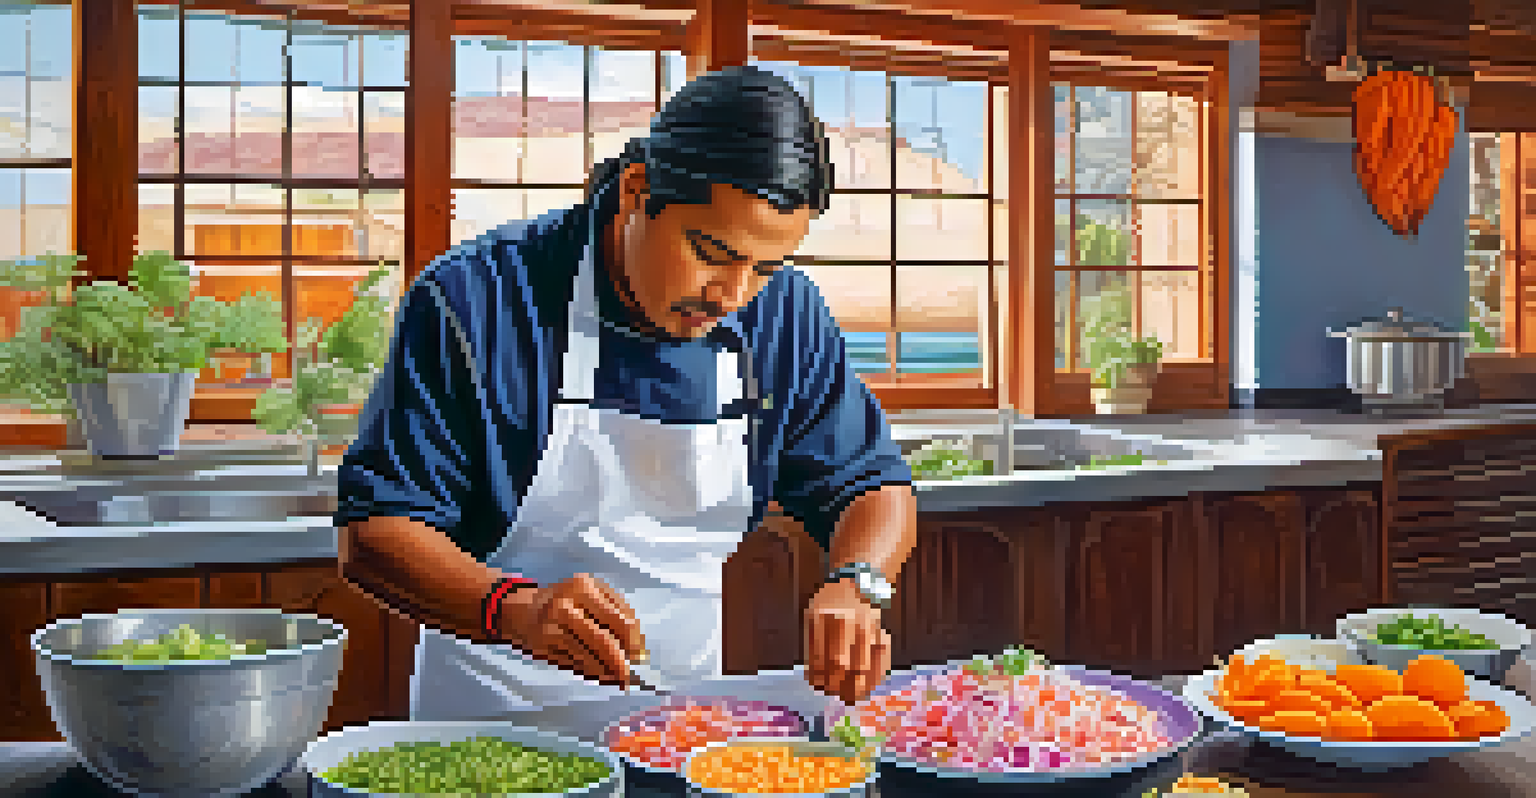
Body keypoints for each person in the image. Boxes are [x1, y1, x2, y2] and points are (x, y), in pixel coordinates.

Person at [335, 65, 917, 721]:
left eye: (766, 267)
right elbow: (375, 532)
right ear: (638, 191)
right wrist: (516, 611)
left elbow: (873, 485)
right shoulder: (478, 300)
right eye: (710, 251)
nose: (732, 295)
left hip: (679, 720)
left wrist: (858, 583)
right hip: (489, 713)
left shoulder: (784, 314)